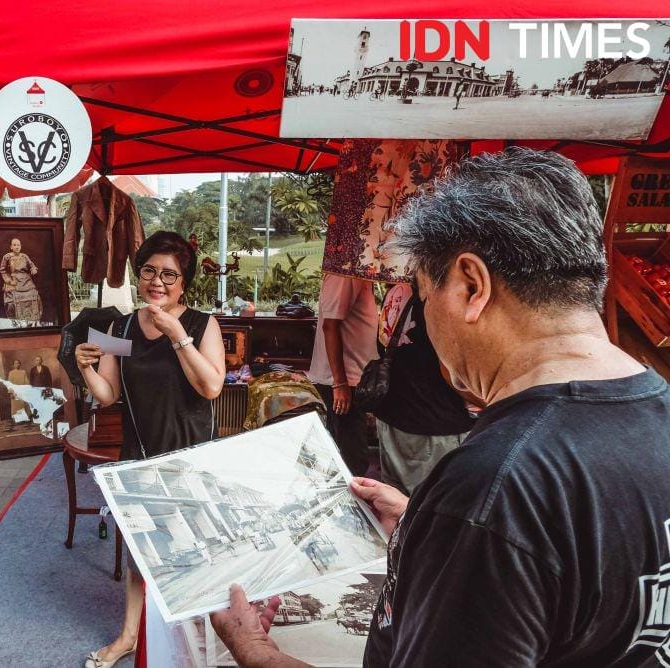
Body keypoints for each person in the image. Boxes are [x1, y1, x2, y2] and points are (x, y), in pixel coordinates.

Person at [211, 147, 670, 666]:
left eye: (426, 298)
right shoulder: (657, 409)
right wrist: (422, 524)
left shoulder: (493, 488)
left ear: (472, 286)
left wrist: (254, 651)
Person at [75, 230, 225, 668]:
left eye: (169, 275)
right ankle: (128, 636)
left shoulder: (201, 324)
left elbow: (211, 386)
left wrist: (177, 333)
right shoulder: (119, 328)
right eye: (148, 271)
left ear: (184, 282)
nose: (157, 281)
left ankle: (199, 635)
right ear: (137, 275)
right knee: (141, 552)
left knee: (195, 549)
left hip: (190, 455)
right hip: (139, 454)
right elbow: (107, 396)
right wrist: (86, 368)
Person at [371, 282, 477, 494]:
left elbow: (382, 345)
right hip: (432, 423)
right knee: (431, 509)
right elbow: (452, 368)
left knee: (394, 505)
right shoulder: (441, 297)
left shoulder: (395, 292)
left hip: (392, 417)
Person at [305, 273, 378, 476]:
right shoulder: (345, 275)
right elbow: (331, 326)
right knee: (350, 454)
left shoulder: (357, 274)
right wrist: (340, 383)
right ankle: (352, 501)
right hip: (344, 379)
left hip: (352, 376)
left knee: (349, 447)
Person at [0, 237, 43, 324]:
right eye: (14, 245)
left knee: (34, 293)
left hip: (26, 280)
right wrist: (9, 281)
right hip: (13, 280)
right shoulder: (7, 257)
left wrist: (33, 269)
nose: (16, 247)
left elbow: (32, 265)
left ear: (21, 246)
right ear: (11, 247)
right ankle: (17, 322)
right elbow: (2, 270)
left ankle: (32, 321)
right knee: (11, 300)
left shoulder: (24, 256)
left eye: (18, 245)